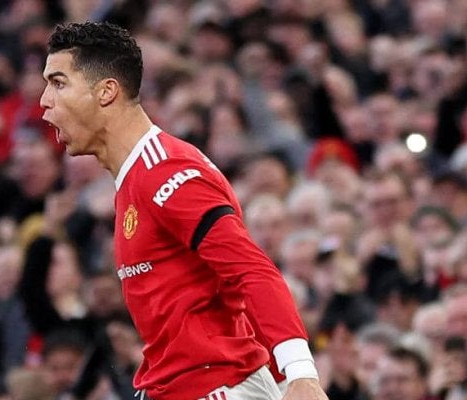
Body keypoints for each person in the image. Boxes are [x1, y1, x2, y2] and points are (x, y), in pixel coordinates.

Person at [40, 22, 327, 400]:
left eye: (58, 83)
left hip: (217, 388)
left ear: (107, 91)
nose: (44, 101)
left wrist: (301, 374)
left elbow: (250, 268)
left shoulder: (167, 171)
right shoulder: (133, 181)